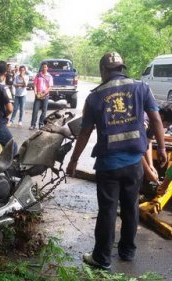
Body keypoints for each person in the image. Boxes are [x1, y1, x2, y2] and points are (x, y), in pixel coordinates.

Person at [66, 52, 167, 270]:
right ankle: (128, 252)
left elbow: (84, 133)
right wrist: (161, 148)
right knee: (131, 207)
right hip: (134, 165)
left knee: (108, 211)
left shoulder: (95, 97)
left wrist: (73, 160)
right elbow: (157, 119)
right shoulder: (142, 88)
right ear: (122, 68)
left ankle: (102, 258)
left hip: (109, 165)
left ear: (103, 70)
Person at [29, 62, 53, 130]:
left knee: (44, 111)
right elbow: (35, 85)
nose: (44, 68)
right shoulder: (38, 75)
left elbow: (50, 87)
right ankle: (33, 124)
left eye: (45, 67)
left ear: (47, 68)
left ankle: (41, 124)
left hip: (45, 95)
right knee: (35, 110)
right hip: (38, 95)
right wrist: (36, 93)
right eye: (43, 67)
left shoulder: (49, 76)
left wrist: (44, 93)